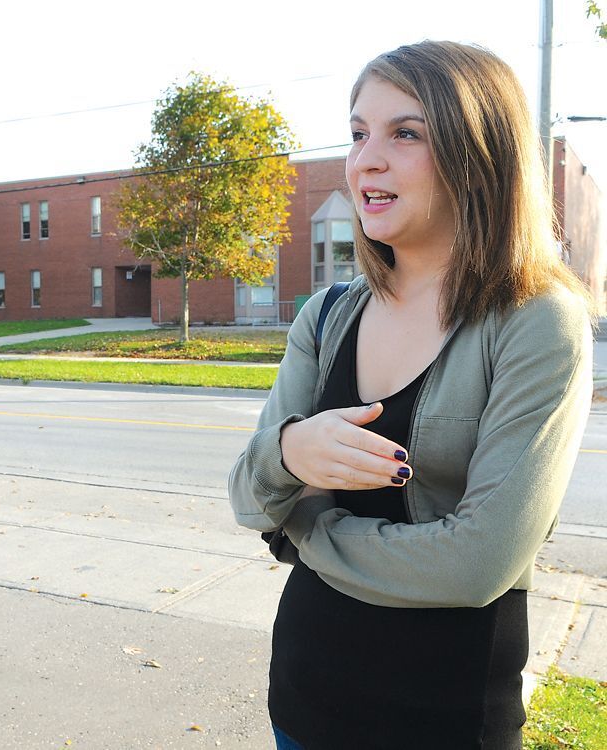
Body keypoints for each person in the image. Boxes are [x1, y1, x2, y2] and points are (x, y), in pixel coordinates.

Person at [227, 41, 594, 750]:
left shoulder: (537, 321)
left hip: (444, 721)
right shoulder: (328, 315)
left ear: (477, 154)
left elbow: (477, 563)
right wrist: (288, 449)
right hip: (302, 700)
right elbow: (248, 498)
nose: (366, 159)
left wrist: (310, 530)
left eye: (406, 133)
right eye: (359, 132)